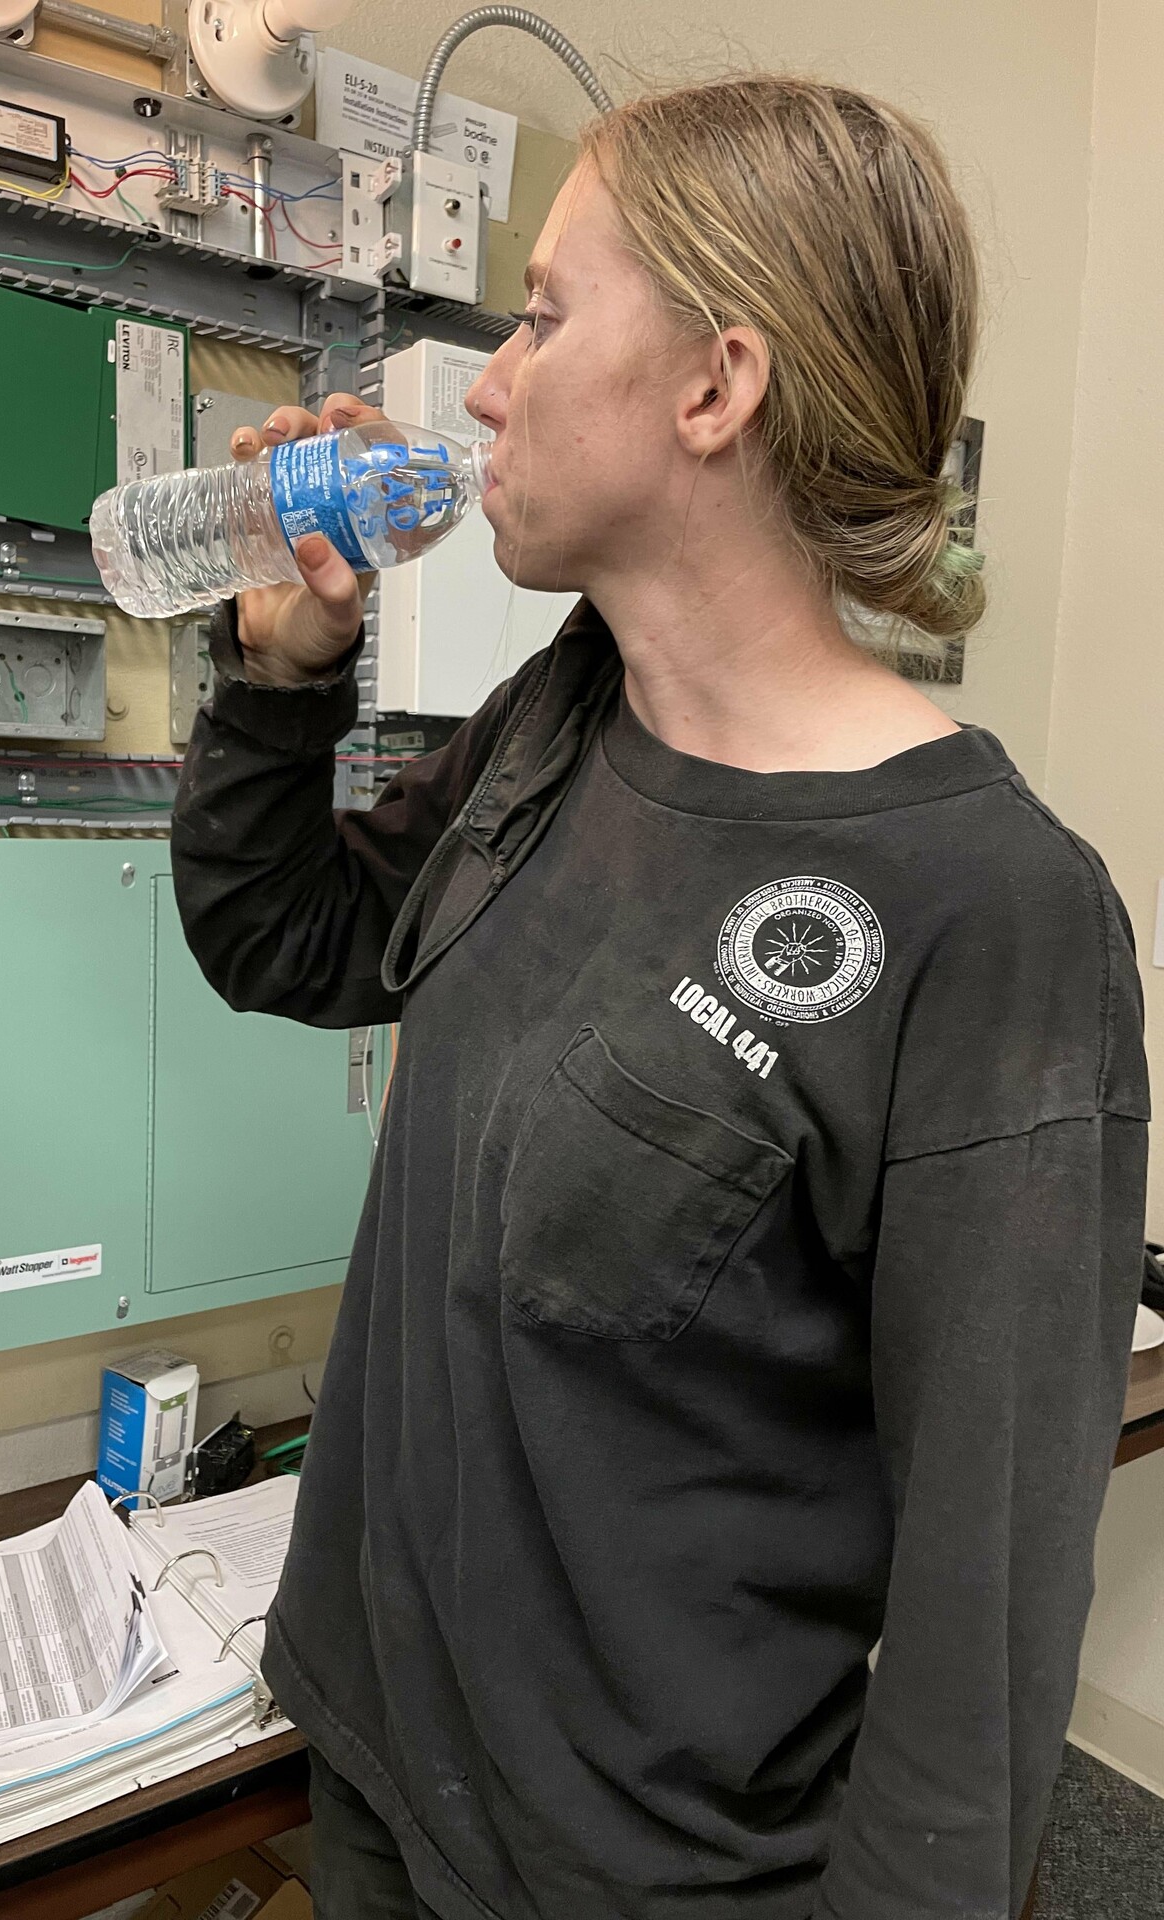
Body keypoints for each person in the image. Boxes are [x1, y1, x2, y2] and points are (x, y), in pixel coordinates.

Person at [171, 77, 1148, 1920]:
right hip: (381, 1762)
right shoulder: (561, 721)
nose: (486, 385)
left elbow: (987, 1622)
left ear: (716, 387)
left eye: (543, 316)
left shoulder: (994, 918)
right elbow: (282, 937)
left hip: (632, 1879)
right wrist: (283, 672)